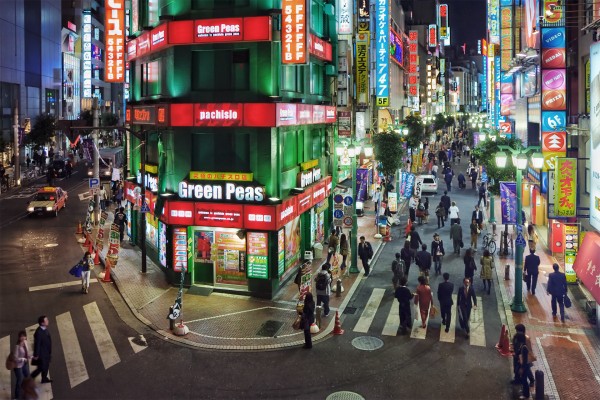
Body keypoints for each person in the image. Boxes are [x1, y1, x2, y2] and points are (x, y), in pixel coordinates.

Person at [511, 324, 536, 389]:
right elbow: (513, 344)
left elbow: (529, 349)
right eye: (517, 331)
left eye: (518, 331)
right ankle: (517, 379)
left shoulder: (526, 339)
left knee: (526, 370)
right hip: (516, 355)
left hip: (524, 357)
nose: (517, 332)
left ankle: (532, 380)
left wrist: (524, 358)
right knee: (516, 368)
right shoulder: (515, 336)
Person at [31, 316, 52, 383]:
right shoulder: (38, 333)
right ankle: (31, 378)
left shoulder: (44, 329)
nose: (48, 321)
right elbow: (37, 344)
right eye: (46, 320)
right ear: (42, 323)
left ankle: (44, 378)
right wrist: (36, 355)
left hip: (46, 352)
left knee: (46, 366)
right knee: (41, 367)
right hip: (42, 354)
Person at [12, 330, 32, 399]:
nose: (23, 338)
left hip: (24, 364)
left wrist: (31, 357)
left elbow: (27, 353)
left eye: (24, 336)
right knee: (19, 380)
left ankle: (25, 391)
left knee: (26, 376)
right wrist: (23, 359)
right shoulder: (17, 347)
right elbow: (15, 358)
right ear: (19, 338)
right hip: (18, 366)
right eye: (21, 336)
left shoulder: (26, 342)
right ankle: (17, 397)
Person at [515, 330, 532, 399]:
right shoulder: (522, 345)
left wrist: (522, 368)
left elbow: (524, 360)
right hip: (523, 365)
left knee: (524, 380)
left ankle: (526, 395)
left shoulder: (524, 347)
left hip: (524, 366)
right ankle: (524, 392)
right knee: (523, 380)